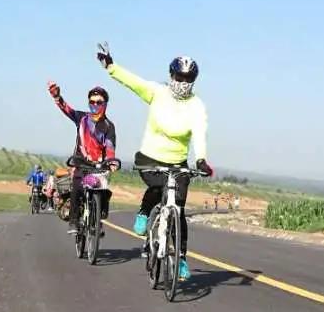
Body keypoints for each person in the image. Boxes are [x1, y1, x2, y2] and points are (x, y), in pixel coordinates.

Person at [97, 44, 213, 282]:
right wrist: (111, 66)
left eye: (188, 78)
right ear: (171, 76)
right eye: (179, 77)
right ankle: (143, 211)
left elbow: (200, 132)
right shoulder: (157, 93)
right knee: (158, 187)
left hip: (177, 162)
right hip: (150, 157)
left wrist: (201, 159)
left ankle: (180, 259)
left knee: (178, 208)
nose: (182, 82)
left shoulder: (197, 105)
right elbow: (133, 81)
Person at [46, 79, 119, 232]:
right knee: (77, 188)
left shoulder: (108, 126)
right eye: (92, 102)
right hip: (81, 163)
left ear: (105, 104)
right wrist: (57, 97)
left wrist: (111, 162)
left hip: (99, 166)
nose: (95, 105)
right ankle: (73, 221)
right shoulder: (82, 118)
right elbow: (68, 110)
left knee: (104, 191)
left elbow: (110, 146)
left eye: (99, 102)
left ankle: (98, 216)